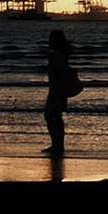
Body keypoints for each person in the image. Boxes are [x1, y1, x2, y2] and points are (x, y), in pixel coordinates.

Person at [42, 29, 71, 157]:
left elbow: (58, 73)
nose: (49, 41)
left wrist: (54, 90)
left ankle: (57, 144)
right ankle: (58, 145)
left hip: (56, 89)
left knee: (50, 115)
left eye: (51, 39)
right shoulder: (60, 54)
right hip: (57, 89)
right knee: (56, 116)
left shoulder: (57, 55)